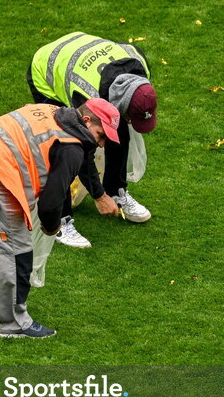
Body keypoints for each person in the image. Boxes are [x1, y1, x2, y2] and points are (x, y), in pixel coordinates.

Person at [0, 99, 121, 338]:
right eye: (101, 135)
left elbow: (85, 154)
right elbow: (51, 202)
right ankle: (13, 324)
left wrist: (99, 194)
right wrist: (52, 228)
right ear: (86, 121)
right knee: (15, 252)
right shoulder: (70, 146)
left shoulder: (53, 111)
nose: (101, 143)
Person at [28, 31, 159, 248]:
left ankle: (116, 191)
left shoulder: (140, 67)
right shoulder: (87, 93)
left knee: (117, 129)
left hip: (80, 57)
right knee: (64, 146)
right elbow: (83, 148)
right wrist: (98, 197)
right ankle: (61, 221)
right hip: (46, 68)